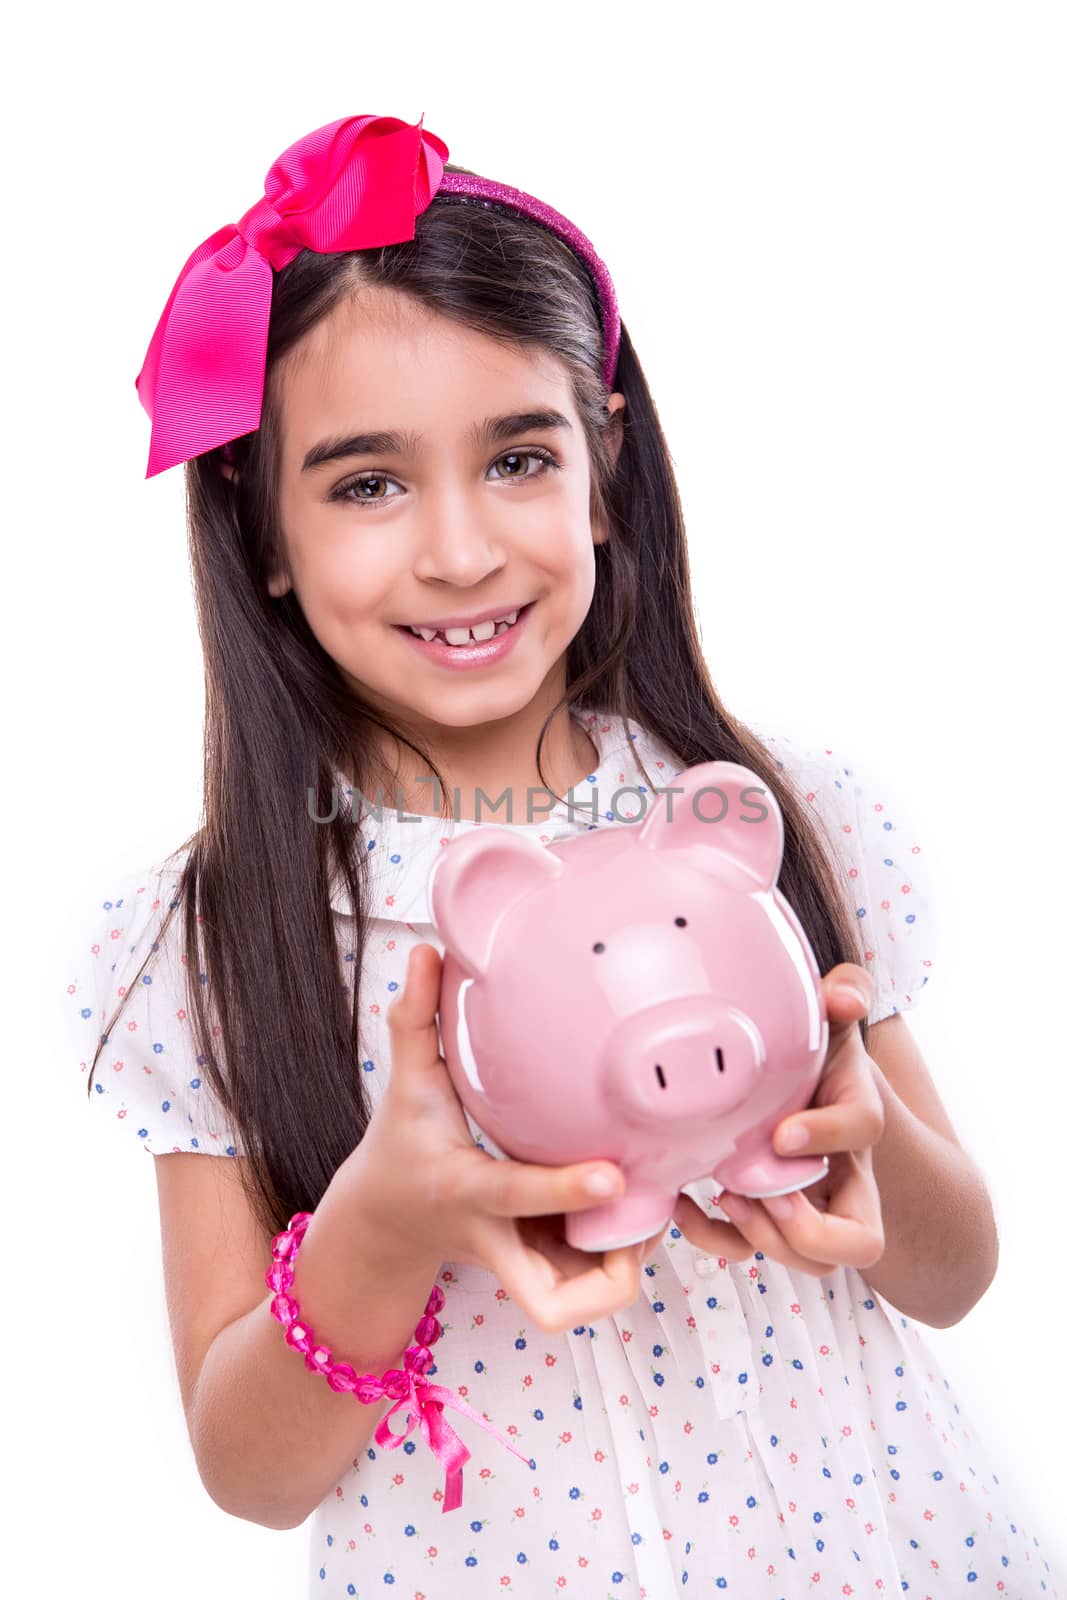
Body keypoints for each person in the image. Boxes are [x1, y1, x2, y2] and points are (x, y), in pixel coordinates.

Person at [63, 112, 1060, 1597]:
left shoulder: (772, 813)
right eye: (366, 484)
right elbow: (249, 1472)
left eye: (518, 458)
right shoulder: (223, 935)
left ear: (604, 464)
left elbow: (955, 1271)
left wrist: (857, 1136)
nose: (461, 551)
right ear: (262, 528)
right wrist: (385, 1225)